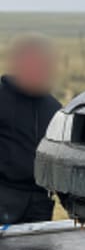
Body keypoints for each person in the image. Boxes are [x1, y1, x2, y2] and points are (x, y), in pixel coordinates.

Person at [0, 34, 62, 225]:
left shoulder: (55, 109)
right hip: (4, 199)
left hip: (40, 204)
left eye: (41, 66)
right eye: (30, 64)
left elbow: (61, 158)